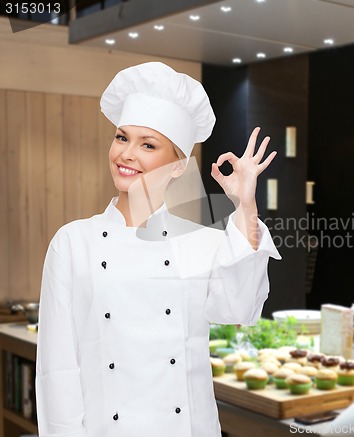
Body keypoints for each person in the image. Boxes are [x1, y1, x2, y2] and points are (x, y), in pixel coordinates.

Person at [35, 62, 281, 437]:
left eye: (147, 144)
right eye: (122, 137)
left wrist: (245, 205)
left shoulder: (199, 240)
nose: (126, 154)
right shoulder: (72, 243)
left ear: (179, 165)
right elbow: (58, 372)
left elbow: (241, 308)